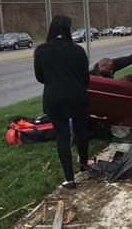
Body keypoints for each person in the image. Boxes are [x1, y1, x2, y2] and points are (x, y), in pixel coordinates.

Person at [34, 15, 91, 189]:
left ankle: (70, 179)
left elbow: (40, 77)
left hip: (54, 98)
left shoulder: (41, 50)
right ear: (68, 29)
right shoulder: (78, 50)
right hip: (77, 96)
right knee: (82, 132)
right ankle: (84, 165)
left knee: (62, 137)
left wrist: (54, 81)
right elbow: (85, 78)